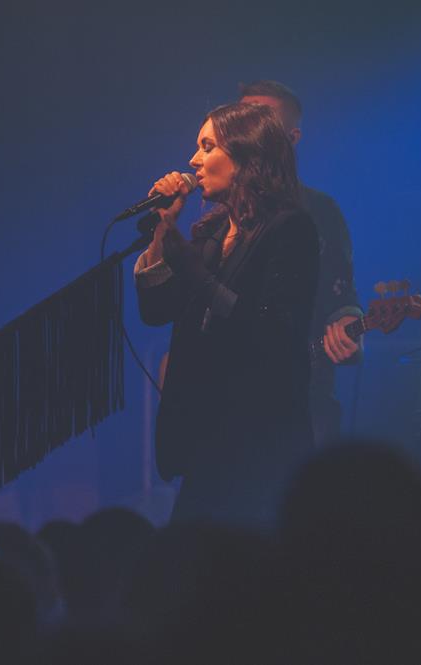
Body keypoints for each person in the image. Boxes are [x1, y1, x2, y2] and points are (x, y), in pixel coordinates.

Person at [135, 102, 319, 527]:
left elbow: (272, 332)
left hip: (258, 444)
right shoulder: (213, 234)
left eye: (207, 147)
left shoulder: (289, 229)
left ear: (245, 155)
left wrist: (195, 272)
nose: (193, 160)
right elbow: (156, 311)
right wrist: (163, 231)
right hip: (207, 441)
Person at [239, 80, 362, 445]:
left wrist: (347, 320)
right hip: (231, 400)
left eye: (261, 118)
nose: (248, 128)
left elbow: (340, 291)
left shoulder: (320, 210)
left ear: (291, 138)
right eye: (241, 118)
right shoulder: (218, 207)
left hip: (304, 392)